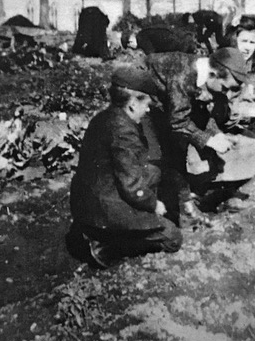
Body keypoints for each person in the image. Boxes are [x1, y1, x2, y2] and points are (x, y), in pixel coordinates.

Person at [67, 66, 182, 268]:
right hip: (103, 209)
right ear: (131, 104)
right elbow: (131, 186)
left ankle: (101, 231)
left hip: (87, 200)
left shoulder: (105, 117)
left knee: (154, 171)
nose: (148, 110)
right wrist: (154, 205)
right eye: (146, 104)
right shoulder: (123, 131)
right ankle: (105, 247)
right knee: (172, 238)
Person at [142, 47, 251, 220]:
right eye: (224, 88)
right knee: (155, 158)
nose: (225, 94)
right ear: (214, 74)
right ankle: (144, 216)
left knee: (178, 150)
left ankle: (184, 206)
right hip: (142, 97)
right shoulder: (184, 75)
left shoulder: (206, 72)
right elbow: (178, 122)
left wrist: (215, 133)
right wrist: (208, 140)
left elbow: (199, 116)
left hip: (164, 100)